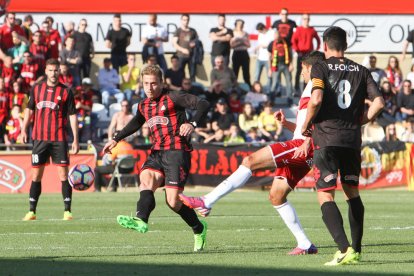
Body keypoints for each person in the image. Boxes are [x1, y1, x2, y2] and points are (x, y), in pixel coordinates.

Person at [179, 51, 325, 255]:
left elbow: (321, 121)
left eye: (302, 69)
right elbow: (305, 125)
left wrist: (308, 140)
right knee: (276, 196)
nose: (301, 73)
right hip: (301, 144)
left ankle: (207, 200)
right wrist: (287, 124)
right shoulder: (312, 88)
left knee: (250, 161)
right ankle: (305, 244)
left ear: (309, 68)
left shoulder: (318, 87)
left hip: (303, 145)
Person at [102, 64, 210, 251]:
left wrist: (192, 123)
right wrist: (115, 139)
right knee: (146, 180)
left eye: (153, 84)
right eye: (145, 84)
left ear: (161, 82)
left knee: (173, 202)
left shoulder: (173, 97)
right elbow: (136, 122)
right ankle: (141, 220)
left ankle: (199, 228)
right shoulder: (144, 105)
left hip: (177, 152)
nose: (149, 88)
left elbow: (203, 104)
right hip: (157, 152)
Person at [301, 26, 384, 265]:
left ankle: (344, 248)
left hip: (326, 139)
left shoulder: (321, 67)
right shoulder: (362, 70)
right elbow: (378, 102)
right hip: (351, 139)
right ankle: (356, 250)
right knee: (352, 192)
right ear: (345, 46)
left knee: (325, 195)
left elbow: (316, 99)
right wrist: (363, 120)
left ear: (325, 46)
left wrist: (307, 124)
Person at [21, 58, 80, 221]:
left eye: (56, 70)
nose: (53, 73)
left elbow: (73, 116)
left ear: (59, 71)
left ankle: (67, 211)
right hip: (39, 139)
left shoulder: (66, 91)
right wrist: (23, 128)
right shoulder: (36, 89)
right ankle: (32, 211)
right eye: (51, 70)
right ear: (45, 71)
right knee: (36, 175)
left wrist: (75, 139)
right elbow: (29, 110)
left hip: (59, 139)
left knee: (63, 174)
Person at [291, 14, 320, 94]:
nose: (306, 20)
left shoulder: (312, 30)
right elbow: (293, 41)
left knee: (308, 71)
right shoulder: (298, 29)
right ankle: (296, 89)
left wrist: (316, 50)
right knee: (298, 71)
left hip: (309, 55)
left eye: (307, 19)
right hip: (300, 54)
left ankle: (306, 88)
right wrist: (297, 51)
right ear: (302, 20)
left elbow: (318, 40)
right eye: (304, 19)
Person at [172, 14, 198, 82]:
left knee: (192, 74)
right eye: (184, 20)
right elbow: (174, 43)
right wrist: (183, 50)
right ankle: (181, 90)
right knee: (181, 74)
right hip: (181, 56)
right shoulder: (178, 31)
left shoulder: (193, 31)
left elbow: (197, 41)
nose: (185, 21)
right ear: (181, 20)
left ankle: (192, 89)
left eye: (187, 20)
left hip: (191, 56)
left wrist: (194, 43)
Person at [230, 19, 251, 87]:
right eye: (239, 24)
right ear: (236, 25)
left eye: (242, 24)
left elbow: (248, 45)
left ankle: (248, 86)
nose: (240, 26)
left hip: (244, 53)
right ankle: (233, 87)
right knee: (235, 71)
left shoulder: (246, 33)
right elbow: (231, 45)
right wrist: (239, 42)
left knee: (246, 72)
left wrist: (243, 42)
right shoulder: (232, 33)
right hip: (236, 53)